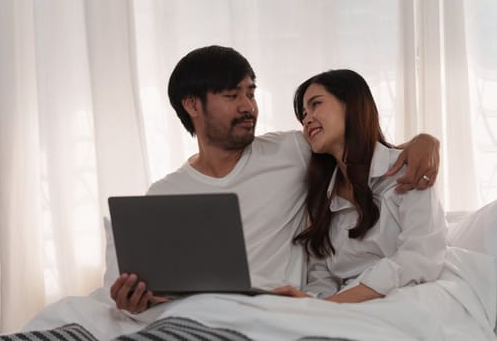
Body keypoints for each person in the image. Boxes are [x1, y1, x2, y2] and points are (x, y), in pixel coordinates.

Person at [110, 46, 440, 313]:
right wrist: (136, 302)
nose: (248, 106)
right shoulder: (162, 194)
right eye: (232, 95)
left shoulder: (294, 150)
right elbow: (149, 284)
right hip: (198, 314)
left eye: (250, 93)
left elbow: (362, 149)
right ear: (192, 104)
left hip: (278, 313)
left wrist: (424, 140)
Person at [273, 69, 447, 303]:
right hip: (349, 306)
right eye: (303, 114)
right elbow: (322, 274)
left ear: (351, 105)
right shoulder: (322, 199)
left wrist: (331, 306)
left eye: (315, 104)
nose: (307, 119)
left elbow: (419, 259)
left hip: (410, 295)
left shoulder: (407, 173)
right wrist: (310, 302)